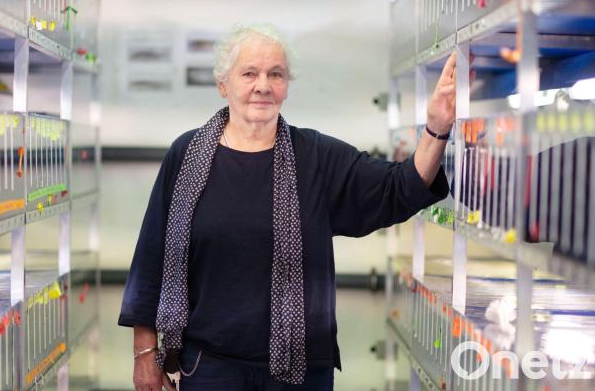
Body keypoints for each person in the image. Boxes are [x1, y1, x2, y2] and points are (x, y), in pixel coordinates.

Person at [119, 24, 458, 391]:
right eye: (249, 73)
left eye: (275, 74)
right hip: (209, 367)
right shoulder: (186, 156)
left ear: (286, 86)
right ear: (223, 84)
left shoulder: (314, 157)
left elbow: (398, 187)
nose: (263, 85)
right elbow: (152, 257)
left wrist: (437, 129)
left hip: (300, 373)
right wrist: (144, 355)